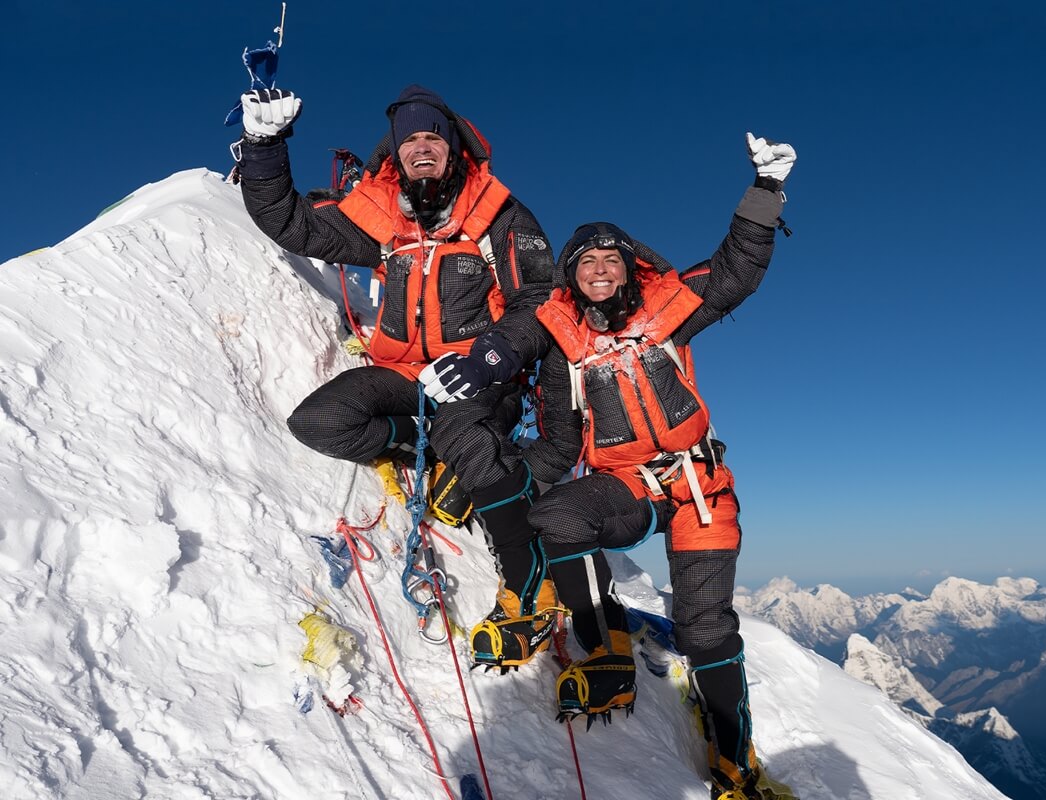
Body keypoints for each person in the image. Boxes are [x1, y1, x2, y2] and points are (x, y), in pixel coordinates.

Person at [233, 85, 560, 670]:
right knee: (318, 421)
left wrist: (489, 357)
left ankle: (529, 590)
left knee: (473, 445)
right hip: (404, 374)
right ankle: (429, 451)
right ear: (396, 154)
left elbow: (539, 300)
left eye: (433, 135)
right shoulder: (383, 218)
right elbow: (292, 224)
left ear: (454, 146)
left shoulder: (499, 214)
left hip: (479, 377)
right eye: (410, 140)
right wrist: (263, 148)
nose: (421, 147)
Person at [520, 134, 797, 800]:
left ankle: (733, 762)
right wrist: (502, 479)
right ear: (571, 280)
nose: (597, 269)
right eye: (583, 264)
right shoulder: (567, 355)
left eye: (608, 257)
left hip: (699, 486)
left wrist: (764, 190)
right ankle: (606, 645)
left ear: (629, 265)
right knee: (556, 511)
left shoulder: (667, 310)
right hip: (626, 487)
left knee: (706, 630)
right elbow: (559, 444)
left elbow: (734, 273)